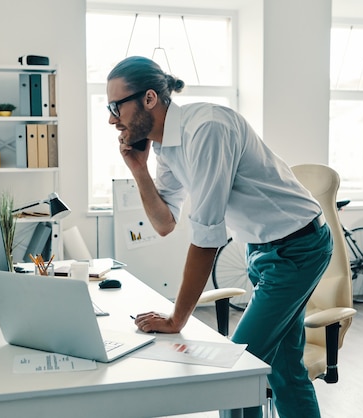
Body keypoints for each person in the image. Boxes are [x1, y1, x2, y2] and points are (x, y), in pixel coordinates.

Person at [106, 56, 333, 418]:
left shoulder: (207, 129)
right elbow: (165, 222)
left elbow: (207, 237)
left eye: (116, 106)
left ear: (149, 99)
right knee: (288, 371)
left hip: (297, 249)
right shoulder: (165, 145)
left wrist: (176, 318)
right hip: (264, 250)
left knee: (235, 372)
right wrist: (139, 169)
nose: (111, 119)